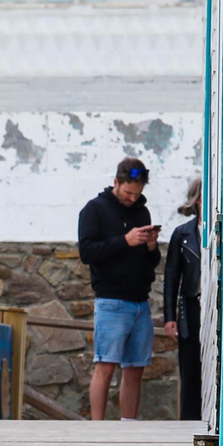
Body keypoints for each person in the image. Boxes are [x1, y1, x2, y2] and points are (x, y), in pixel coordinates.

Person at [78, 157, 161, 420]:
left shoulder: (142, 212)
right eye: (128, 192)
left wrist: (150, 245)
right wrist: (125, 240)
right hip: (111, 300)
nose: (132, 198)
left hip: (140, 301)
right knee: (106, 365)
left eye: (137, 194)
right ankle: (98, 426)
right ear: (116, 182)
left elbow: (153, 262)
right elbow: (87, 252)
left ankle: (128, 425)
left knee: (136, 368)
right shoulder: (94, 209)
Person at [164, 177, 203, 421]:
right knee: (189, 367)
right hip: (190, 308)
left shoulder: (221, 231)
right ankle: (188, 422)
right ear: (197, 200)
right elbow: (171, 278)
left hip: (216, 307)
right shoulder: (182, 234)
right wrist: (170, 317)